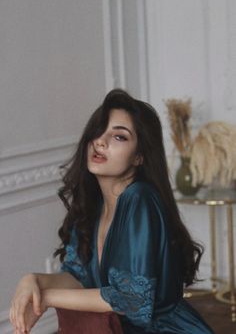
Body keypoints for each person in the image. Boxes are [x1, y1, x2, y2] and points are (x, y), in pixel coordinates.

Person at [10, 89, 215, 334]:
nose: (100, 141)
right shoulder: (93, 206)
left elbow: (130, 300)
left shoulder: (139, 199)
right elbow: (78, 277)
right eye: (99, 131)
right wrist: (32, 281)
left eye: (119, 137)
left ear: (139, 157)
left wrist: (46, 298)